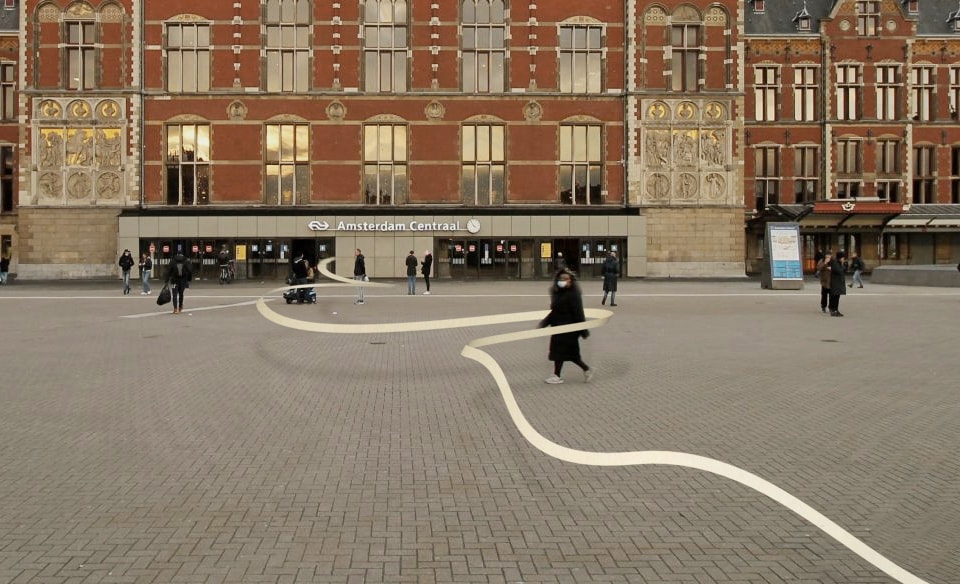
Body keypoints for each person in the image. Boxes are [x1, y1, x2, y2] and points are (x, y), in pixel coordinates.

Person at [538, 270, 594, 384]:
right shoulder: (558, 293)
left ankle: (559, 375)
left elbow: (578, 313)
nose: (563, 281)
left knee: (566, 353)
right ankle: (584, 370)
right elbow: (554, 312)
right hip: (558, 328)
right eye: (561, 279)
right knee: (564, 353)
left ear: (571, 281)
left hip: (569, 329)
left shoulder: (573, 295)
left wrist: (583, 330)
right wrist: (544, 323)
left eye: (566, 279)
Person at [828, 251, 847, 317]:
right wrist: (842, 265)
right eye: (842, 257)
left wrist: (843, 265)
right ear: (840, 257)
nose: (843, 259)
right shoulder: (835, 262)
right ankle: (833, 310)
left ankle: (836, 309)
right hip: (835, 283)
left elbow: (844, 271)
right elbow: (839, 271)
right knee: (834, 297)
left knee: (837, 297)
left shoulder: (838, 262)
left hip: (838, 282)